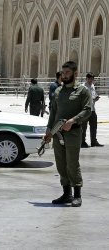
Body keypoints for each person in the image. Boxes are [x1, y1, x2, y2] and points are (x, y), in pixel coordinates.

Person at [43, 61, 92, 207]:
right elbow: (54, 112)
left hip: (73, 133)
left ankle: (77, 195)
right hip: (58, 134)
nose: (64, 75)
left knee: (72, 163)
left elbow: (88, 109)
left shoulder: (82, 91)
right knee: (61, 164)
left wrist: (73, 120)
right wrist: (48, 130)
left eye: (67, 73)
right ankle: (66, 194)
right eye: (63, 73)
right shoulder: (58, 91)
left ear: (75, 74)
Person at [81, 72, 103, 148]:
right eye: (90, 79)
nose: (91, 81)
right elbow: (81, 98)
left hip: (92, 109)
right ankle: (82, 142)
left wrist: (95, 98)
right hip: (85, 109)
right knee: (84, 126)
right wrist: (91, 99)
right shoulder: (83, 87)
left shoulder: (92, 86)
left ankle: (94, 141)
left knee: (94, 126)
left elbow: (93, 94)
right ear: (86, 78)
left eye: (92, 79)